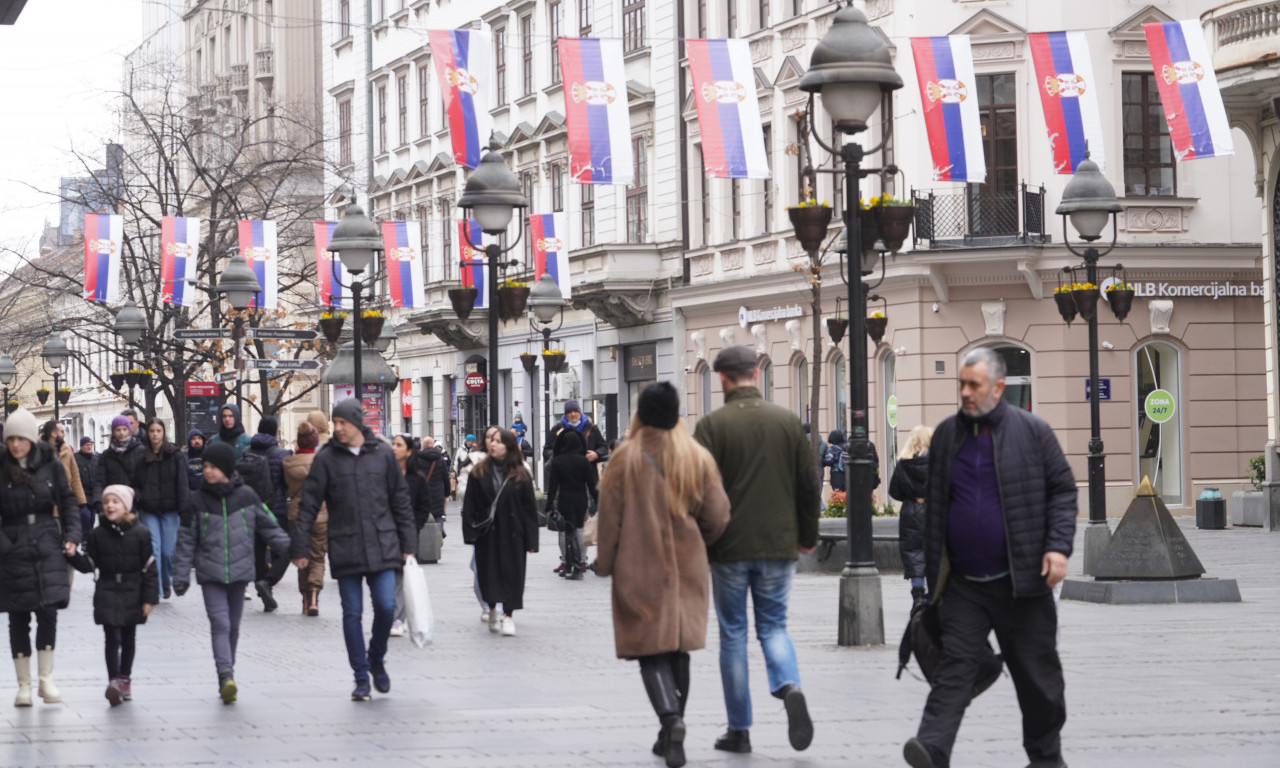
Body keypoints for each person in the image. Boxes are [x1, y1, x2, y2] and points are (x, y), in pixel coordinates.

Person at [902, 347, 1076, 768]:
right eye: (961, 384)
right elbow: (936, 505)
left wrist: (1057, 547)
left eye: (974, 385)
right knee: (954, 668)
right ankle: (932, 749)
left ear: (998, 388)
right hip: (964, 585)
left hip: (1022, 582)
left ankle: (1046, 759)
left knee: (1038, 680)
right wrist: (932, 575)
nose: (965, 392)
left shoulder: (1033, 432)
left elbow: (1062, 490)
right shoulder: (948, 435)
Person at [595, 382, 731, 768]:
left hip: (638, 565)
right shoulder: (695, 455)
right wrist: (697, 541)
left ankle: (670, 722)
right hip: (688, 567)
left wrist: (606, 562)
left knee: (649, 648)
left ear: (640, 413)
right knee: (678, 648)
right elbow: (718, 514)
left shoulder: (625, 458)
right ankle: (671, 729)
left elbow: (609, 520)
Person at [693, 345, 820, 754]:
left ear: (723, 378)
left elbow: (698, 492)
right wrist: (807, 535)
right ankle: (788, 684)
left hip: (728, 547)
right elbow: (808, 485)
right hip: (778, 543)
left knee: (733, 635)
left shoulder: (711, 427)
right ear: (755, 373)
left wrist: (702, 540)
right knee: (774, 627)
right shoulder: (787, 422)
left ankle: (739, 729)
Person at [290, 399, 416, 701]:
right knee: (352, 613)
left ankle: (376, 658)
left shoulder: (382, 454)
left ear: (358, 423)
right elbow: (309, 504)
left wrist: (408, 544)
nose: (338, 428)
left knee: (386, 606)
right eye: (334, 422)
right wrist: (300, 546)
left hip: (383, 544)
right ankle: (361, 676)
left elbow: (400, 500)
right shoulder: (326, 458)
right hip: (345, 544)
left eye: (343, 422)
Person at [172, 441, 290, 704]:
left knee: (233, 627)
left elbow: (269, 525)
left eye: (213, 466)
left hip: (240, 572)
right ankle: (225, 673)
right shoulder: (198, 501)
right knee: (221, 623)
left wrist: (292, 549)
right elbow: (186, 540)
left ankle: (228, 674)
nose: (207, 471)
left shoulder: (247, 496)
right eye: (205, 466)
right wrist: (180, 576)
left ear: (225, 468)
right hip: (210, 573)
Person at [0, 408, 80, 707]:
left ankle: (46, 679)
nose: (15, 445)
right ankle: (24, 685)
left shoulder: (49, 462)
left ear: (31, 439)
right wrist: (5, 544)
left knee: (48, 611)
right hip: (13, 546)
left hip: (47, 541)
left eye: (20, 439)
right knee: (18, 615)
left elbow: (67, 499)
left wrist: (72, 536)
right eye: (11, 439)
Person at [68, 484, 157, 707]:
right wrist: (72, 555)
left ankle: (125, 679)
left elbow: (149, 568)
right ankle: (114, 681)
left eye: (115, 501)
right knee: (111, 638)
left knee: (128, 638)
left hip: (133, 590)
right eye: (106, 501)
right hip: (107, 590)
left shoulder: (140, 533)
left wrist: (149, 599)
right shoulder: (97, 534)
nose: (110, 505)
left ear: (126, 506)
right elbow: (89, 564)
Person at [462, 427, 538, 637]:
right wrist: (470, 533)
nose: (493, 444)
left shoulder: (521, 473)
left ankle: (508, 616)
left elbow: (529, 509)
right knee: (488, 574)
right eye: (491, 441)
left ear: (509, 446)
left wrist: (531, 540)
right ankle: (493, 608)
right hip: (487, 533)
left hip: (513, 533)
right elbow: (469, 504)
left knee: (513, 575)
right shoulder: (479, 472)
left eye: (499, 441)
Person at [134, 418, 190, 601]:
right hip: (149, 509)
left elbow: (182, 484)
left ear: (163, 433)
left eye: (158, 431)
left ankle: (166, 582)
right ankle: (156, 590)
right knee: (154, 549)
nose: (155, 434)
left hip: (170, 509)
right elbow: (135, 483)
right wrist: (140, 497)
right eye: (152, 431)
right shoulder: (142, 457)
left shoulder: (175, 456)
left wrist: (184, 511)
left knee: (168, 552)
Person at [282, 413, 329, 616]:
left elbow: (286, 490)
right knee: (317, 558)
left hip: (296, 514)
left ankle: (303, 599)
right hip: (320, 514)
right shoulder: (321, 462)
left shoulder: (288, 463)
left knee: (302, 557)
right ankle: (314, 597)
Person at [247, 416, 292, 613]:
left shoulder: (247, 453)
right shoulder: (282, 455)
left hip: (253, 509)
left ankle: (263, 585)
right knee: (286, 549)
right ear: (276, 433)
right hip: (276, 509)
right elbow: (287, 484)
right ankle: (268, 581)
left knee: (258, 552)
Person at [389, 434, 432, 637]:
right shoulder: (385, 475)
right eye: (393, 444)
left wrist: (414, 526)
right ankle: (392, 615)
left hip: (408, 532)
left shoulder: (417, 479)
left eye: (398, 445)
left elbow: (424, 507)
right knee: (388, 576)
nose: (393, 448)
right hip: (386, 532)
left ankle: (398, 618)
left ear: (408, 451)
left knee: (401, 575)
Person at [889, 425, 933, 610]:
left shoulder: (903, 463)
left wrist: (912, 497)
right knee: (935, 552)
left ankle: (918, 595)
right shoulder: (939, 462)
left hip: (911, 512)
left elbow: (894, 491)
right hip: (934, 511)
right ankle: (935, 594)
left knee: (914, 553)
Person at [546, 427, 596, 580]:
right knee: (579, 529)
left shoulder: (558, 461)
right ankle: (579, 562)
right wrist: (597, 501)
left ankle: (568, 563)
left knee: (566, 531)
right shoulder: (583, 461)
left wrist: (549, 505)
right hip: (580, 499)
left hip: (565, 499)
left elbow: (552, 486)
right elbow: (591, 484)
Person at [544, 398, 609, 479]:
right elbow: (547, 450)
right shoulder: (557, 429)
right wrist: (558, 456)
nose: (573, 414)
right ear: (565, 415)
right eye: (569, 412)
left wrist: (596, 454)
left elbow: (603, 447)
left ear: (580, 412)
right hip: (564, 475)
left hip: (587, 474)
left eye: (575, 411)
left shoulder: (591, 428)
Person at [40, 421, 86, 530]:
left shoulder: (67, 450)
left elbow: (75, 477)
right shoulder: (37, 450)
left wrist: (81, 502)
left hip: (64, 506)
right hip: (44, 509)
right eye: (61, 431)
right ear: (53, 433)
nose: (64, 434)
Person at [96, 415, 142, 499]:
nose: (121, 433)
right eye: (118, 429)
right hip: (113, 500)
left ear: (129, 431)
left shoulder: (140, 451)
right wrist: (98, 502)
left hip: (134, 500)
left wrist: (137, 497)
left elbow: (144, 481)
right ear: (113, 432)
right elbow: (100, 481)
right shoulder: (106, 455)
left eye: (124, 429)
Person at [75, 434, 101, 535]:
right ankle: (84, 539)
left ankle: (87, 539)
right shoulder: (76, 458)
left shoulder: (96, 458)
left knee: (91, 519)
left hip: (93, 496)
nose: (89, 447)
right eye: (87, 445)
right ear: (82, 446)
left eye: (90, 445)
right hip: (82, 495)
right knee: (85, 517)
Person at [454, 434, 479, 499]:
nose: (470, 443)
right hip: (462, 474)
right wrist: (455, 471)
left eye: (472, 441)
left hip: (473, 473)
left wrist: (476, 449)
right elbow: (455, 461)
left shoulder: (475, 449)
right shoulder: (460, 449)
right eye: (469, 441)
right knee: (463, 492)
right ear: (466, 441)